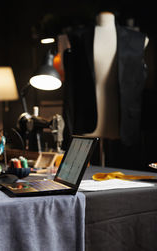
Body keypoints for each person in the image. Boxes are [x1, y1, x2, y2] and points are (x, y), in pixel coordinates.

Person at [63, 11, 148, 169]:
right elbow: (72, 87)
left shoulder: (137, 39)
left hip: (122, 121)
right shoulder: (78, 37)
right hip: (88, 120)